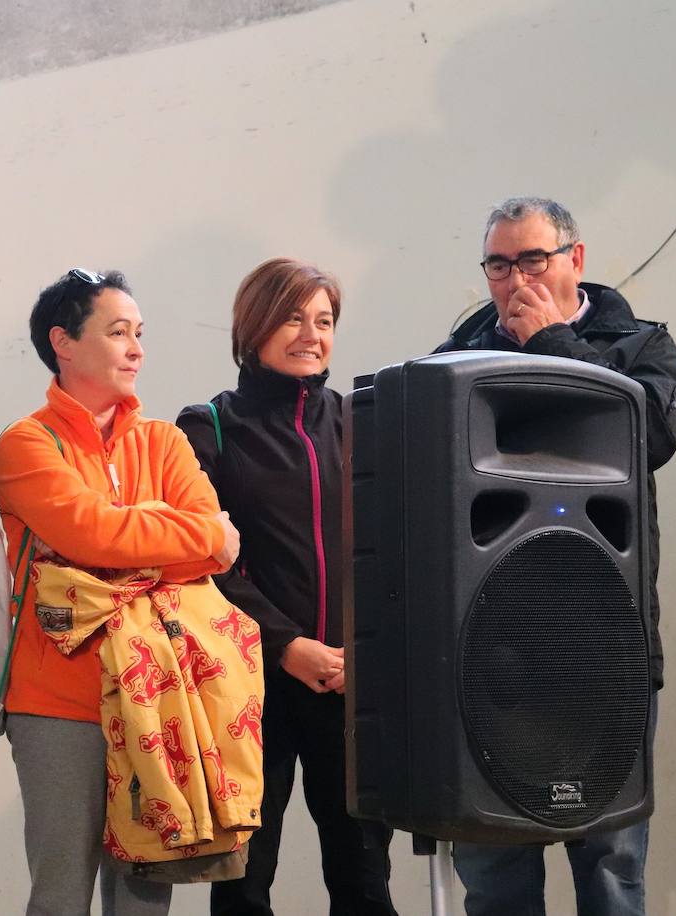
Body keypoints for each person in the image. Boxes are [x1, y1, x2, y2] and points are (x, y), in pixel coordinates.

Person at [436, 196, 676, 915]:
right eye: (498, 263)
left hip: (604, 647)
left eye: (532, 260)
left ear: (575, 260)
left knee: (610, 864)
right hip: (490, 652)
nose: (515, 279)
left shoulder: (639, 346)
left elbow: (651, 437)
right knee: (492, 867)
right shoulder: (455, 359)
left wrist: (552, 342)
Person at [0, 268, 242, 916]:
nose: (136, 348)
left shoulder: (164, 440)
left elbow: (217, 550)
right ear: (64, 342)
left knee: (144, 898)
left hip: (158, 693)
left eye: (139, 333)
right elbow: (93, 533)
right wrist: (173, 533)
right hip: (57, 700)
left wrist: (143, 537)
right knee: (60, 894)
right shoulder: (26, 444)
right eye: (118, 332)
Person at [175, 258, 399, 916]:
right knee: (244, 888)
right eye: (294, 317)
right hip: (247, 688)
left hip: (348, 686)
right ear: (255, 326)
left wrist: (358, 652)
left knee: (365, 882)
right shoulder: (207, 426)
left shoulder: (364, 423)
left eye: (324, 320)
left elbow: (387, 552)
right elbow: (200, 561)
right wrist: (286, 645)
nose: (311, 334)